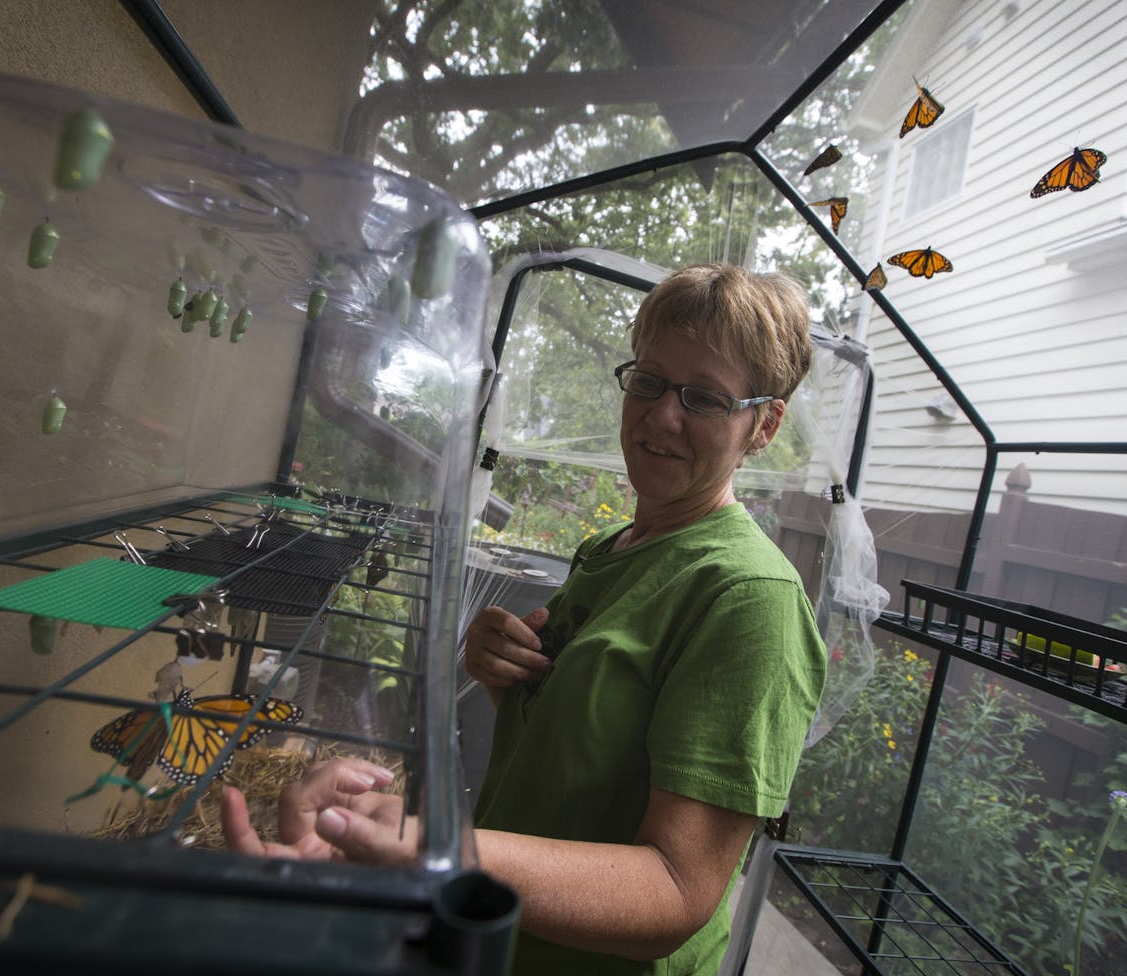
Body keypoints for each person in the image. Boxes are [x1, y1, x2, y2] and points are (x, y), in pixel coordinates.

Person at [222, 263, 828, 975]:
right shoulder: (611, 550)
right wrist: (505, 670)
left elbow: (676, 889)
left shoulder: (748, 597)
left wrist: (440, 852)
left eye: (705, 397)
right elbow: (591, 743)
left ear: (764, 424)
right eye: (650, 380)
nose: (663, 415)